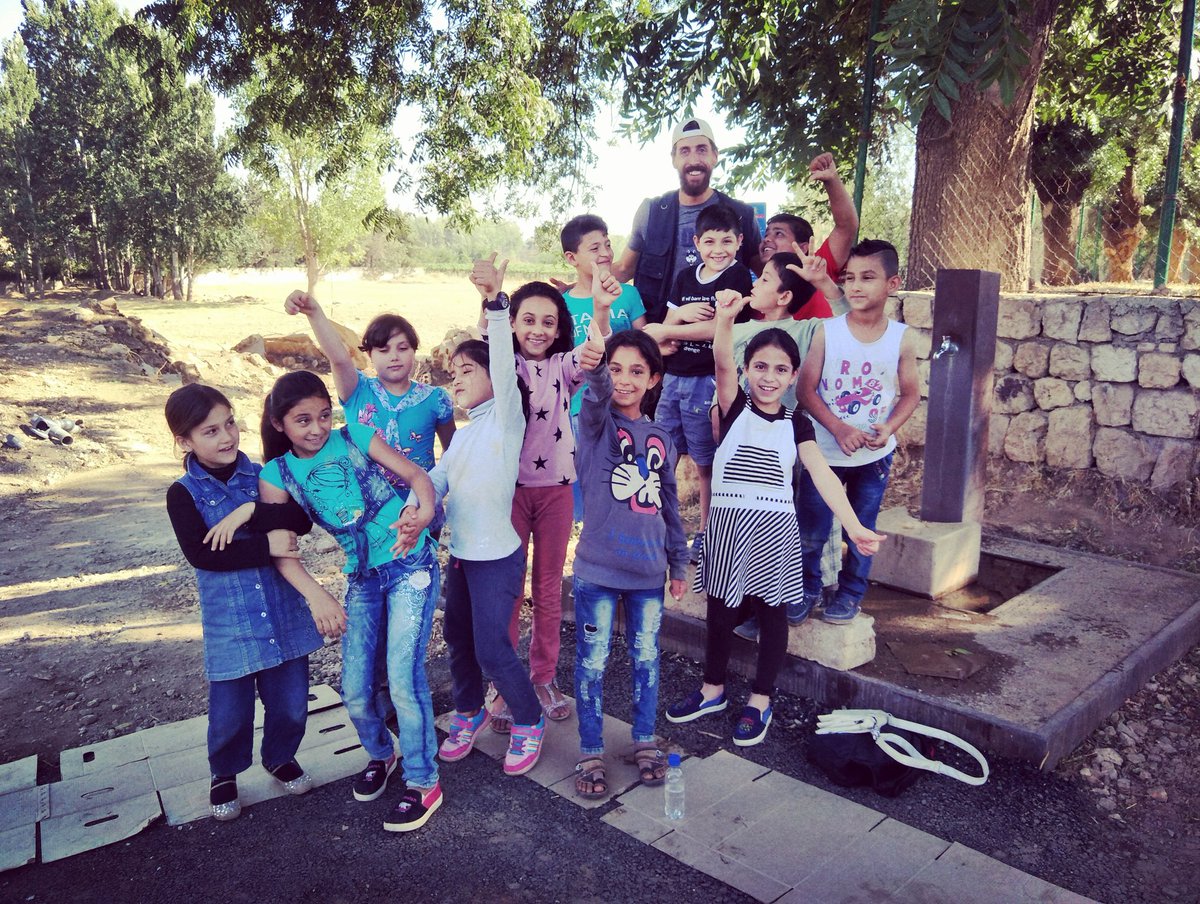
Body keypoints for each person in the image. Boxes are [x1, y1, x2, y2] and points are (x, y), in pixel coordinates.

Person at [666, 291, 885, 746]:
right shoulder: (732, 409)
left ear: (792, 377)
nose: (768, 377)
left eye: (780, 369)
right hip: (727, 527)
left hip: (773, 532)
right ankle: (713, 690)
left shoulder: (797, 423)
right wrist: (725, 319)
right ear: (747, 371)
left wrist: (855, 527)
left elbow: (824, 475)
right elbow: (722, 361)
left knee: (772, 616)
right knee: (721, 613)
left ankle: (761, 699)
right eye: (760, 367)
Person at [257, 371, 444, 833]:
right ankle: (384, 754)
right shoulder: (276, 475)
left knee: (403, 680)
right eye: (303, 420)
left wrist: (420, 515)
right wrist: (318, 595)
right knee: (357, 691)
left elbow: (419, 477)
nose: (317, 428)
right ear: (280, 424)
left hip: (410, 565)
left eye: (323, 415)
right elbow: (282, 551)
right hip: (362, 578)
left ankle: (424, 782)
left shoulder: (356, 436)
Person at [394, 254, 546, 778]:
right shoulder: (462, 440)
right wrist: (416, 512)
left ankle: (528, 720)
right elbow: (434, 482)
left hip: (497, 559)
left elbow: (504, 365)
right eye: (451, 374)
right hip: (462, 557)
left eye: (467, 371)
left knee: (492, 647)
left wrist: (496, 306)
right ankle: (469, 711)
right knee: (457, 638)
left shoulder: (505, 420)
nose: (455, 380)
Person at [165, 383, 325, 823]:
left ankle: (280, 756)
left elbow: (299, 520)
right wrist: (270, 544)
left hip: (282, 609)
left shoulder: (264, 474)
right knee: (231, 710)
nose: (226, 437)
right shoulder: (182, 494)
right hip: (229, 619)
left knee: (291, 702)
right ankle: (224, 772)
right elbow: (202, 555)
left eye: (230, 423)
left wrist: (255, 514)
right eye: (210, 431)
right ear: (185, 441)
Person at [476, 276, 613, 732]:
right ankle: (504, 682)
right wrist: (491, 298)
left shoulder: (562, 365)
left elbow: (594, 354)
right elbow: (487, 337)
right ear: (512, 323)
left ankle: (543, 678)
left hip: (555, 491)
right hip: (508, 491)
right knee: (508, 592)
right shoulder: (500, 364)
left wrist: (602, 308)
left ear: (559, 330)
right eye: (527, 319)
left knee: (549, 589)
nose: (537, 329)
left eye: (548, 322)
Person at [570, 319, 687, 798]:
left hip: (647, 576)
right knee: (592, 662)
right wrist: (597, 359)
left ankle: (644, 741)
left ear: (653, 379)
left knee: (645, 659)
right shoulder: (595, 425)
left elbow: (670, 504)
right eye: (616, 369)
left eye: (637, 371)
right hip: (597, 572)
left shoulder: (663, 436)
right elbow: (596, 395)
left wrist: (678, 563)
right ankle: (590, 749)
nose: (624, 379)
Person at [797, 239, 919, 624]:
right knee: (812, 529)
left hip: (874, 457)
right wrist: (836, 426)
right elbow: (805, 388)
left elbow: (911, 393)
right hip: (825, 455)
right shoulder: (827, 330)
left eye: (868, 277)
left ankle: (851, 594)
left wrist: (889, 427)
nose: (855, 286)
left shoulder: (902, 337)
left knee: (862, 530)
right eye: (849, 278)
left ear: (892, 283)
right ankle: (808, 588)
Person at [657, 203, 754, 563]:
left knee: (705, 464)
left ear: (739, 241)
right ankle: (664, 529)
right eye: (709, 241)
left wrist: (668, 330)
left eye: (726, 241)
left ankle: (706, 534)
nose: (718, 249)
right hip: (673, 379)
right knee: (663, 455)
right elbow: (670, 334)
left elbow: (719, 330)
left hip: (707, 381)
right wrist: (678, 317)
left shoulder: (738, 277)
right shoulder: (684, 278)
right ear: (696, 242)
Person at [282, 292, 455, 489]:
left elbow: (452, 455)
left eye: (403, 348)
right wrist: (314, 313)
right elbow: (339, 359)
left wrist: (434, 495)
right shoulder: (357, 391)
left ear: (414, 351)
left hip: (419, 506)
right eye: (383, 350)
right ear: (370, 354)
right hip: (367, 510)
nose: (394, 356)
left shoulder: (436, 399)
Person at [613, 117, 761, 323]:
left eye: (702, 149)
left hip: (722, 339)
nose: (693, 160)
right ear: (673, 159)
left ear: (715, 156)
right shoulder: (651, 212)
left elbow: (766, 273)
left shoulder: (742, 214)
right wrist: (579, 287)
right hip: (662, 335)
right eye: (684, 151)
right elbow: (624, 269)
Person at [560, 214, 648, 521]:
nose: (606, 254)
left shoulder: (629, 294)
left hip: (625, 406)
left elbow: (645, 344)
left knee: (625, 481)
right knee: (587, 482)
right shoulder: (563, 304)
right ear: (571, 258)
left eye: (608, 245)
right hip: (579, 409)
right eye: (595, 248)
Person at [759, 153, 859, 322]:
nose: (768, 239)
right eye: (766, 234)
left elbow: (846, 226)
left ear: (804, 247)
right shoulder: (759, 284)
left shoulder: (818, 268)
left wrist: (831, 180)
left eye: (779, 234)